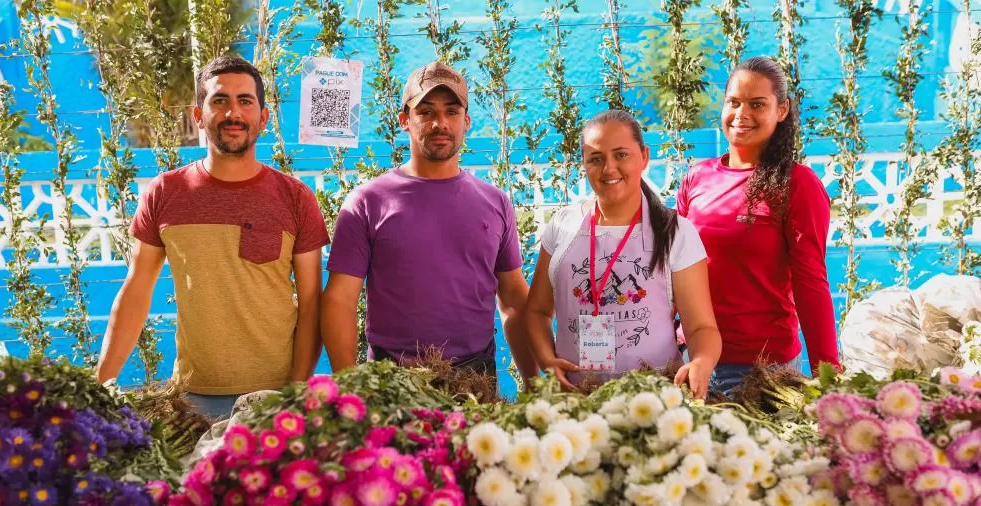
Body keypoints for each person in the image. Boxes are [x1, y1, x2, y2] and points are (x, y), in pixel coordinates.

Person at [95, 56, 329, 419]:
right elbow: (137, 290)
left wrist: (296, 395)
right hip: (191, 400)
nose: (232, 113)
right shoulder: (165, 192)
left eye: (245, 101)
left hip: (275, 397)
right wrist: (100, 388)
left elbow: (313, 302)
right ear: (198, 115)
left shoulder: (295, 197)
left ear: (263, 118)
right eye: (219, 101)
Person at [322, 61, 538, 382]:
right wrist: (353, 391)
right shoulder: (367, 202)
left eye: (451, 112)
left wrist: (533, 384)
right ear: (404, 121)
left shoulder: (495, 202)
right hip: (392, 382)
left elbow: (514, 301)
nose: (440, 123)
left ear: (466, 122)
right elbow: (339, 300)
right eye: (425, 112)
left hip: (475, 381)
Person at [525, 110, 721, 399]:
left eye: (621, 155)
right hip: (575, 400)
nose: (609, 168)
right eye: (596, 158)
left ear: (644, 157)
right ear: (584, 164)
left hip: (654, 401)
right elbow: (537, 311)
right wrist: (546, 360)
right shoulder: (562, 225)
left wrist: (702, 361)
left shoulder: (676, 232)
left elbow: (702, 327)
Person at [677, 56, 840, 396]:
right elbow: (675, 271)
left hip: (761, 372)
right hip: (691, 362)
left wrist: (830, 378)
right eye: (733, 103)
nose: (741, 115)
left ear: (782, 110)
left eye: (757, 104)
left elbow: (811, 283)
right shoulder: (697, 177)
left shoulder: (797, 185)